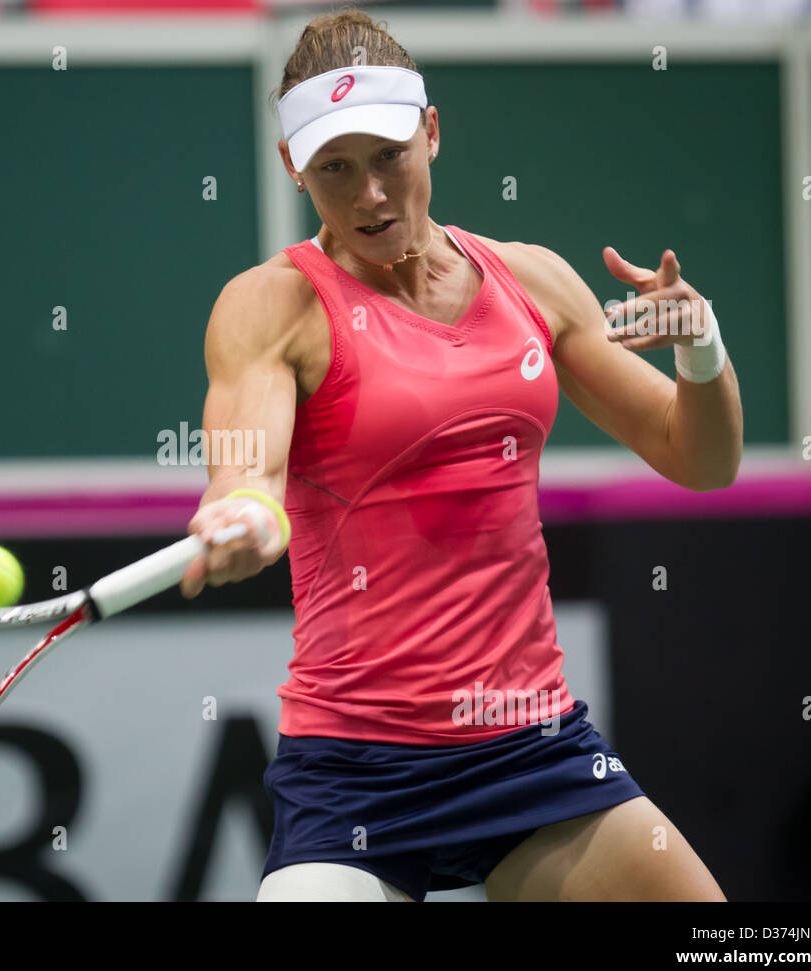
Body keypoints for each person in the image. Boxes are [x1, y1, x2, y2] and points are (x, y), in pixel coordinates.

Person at [178, 8, 740, 901]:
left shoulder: (534, 281)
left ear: (431, 133)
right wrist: (241, 514)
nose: (368, 194)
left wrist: (702, 346)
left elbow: (700, 459)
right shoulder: (270, 306)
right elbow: (247, 474)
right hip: (356, 766)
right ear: (294, 166)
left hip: (533, 747)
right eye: (335, 166)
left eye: (389, 156)